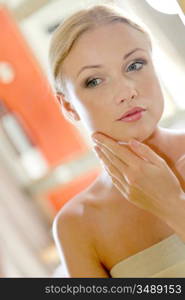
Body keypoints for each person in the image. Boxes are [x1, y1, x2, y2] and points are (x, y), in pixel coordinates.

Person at [49, 4, 185, 278]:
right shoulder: (77, 224)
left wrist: (173, 205)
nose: (126, 91)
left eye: (135, 65)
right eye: (95, 81)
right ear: (68, 106)